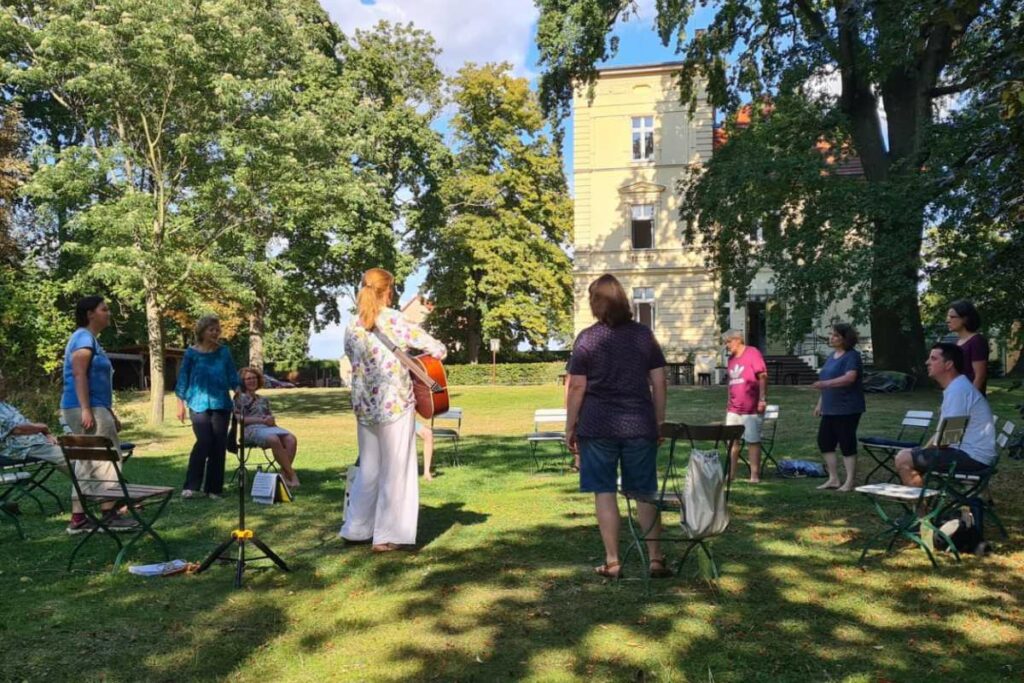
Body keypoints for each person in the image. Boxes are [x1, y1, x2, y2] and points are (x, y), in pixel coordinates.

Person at [565, 274, 669, 580]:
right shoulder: (642, 335)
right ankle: (655, 558)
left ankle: (613, 561)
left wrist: (570, 426)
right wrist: (659, 421)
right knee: (644, 492)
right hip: (639, 424)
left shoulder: (587, 338)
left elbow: (576, 387)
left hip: (597, 425)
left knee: (604, 491)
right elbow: (660, 381)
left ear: (596, 304)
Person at [340, 268, 446, 552]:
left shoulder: (353, 325)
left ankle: (356, 528)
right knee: (397, 468)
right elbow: (435, 348)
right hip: (395, 402)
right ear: (388, 290)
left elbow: (352, 358)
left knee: (369, 468)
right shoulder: (395, 320)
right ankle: (387, 535)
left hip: (364, 405)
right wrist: (434, 352)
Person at [60, 296, 133, 533]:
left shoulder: (89, 339)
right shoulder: (83, 337)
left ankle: (78, 518)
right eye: (105, 309)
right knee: (108, 458)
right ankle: (109, 514)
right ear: (90, 313)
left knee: (87, 460)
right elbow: (79, 374)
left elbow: (97, 382)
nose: (108, 313)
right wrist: (86, 409)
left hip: (92, 406)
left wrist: (109, 413)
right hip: (84, 406)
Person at [894, 343, 996, 486]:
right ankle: (927, 502)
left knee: (903, 458)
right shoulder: (958, 388)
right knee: (909, 454)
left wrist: (919, 454)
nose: (927, 362)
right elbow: (942, 435)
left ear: (948, 365)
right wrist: (922, 451)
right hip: (971, 454)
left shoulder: (958, 391)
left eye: (933, 359)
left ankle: (921, 508)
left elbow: (946, 438)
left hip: (973, 458)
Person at [175, 315, 238, 499]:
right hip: (197, 403)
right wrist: (179, 404)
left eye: (218, 330)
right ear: (202, 332)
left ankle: (214, 489)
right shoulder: (191, 353)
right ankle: (191, 486)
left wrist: (239, 391)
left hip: (221, 404)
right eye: (212, 329)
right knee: (204, 442)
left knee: (218, 445)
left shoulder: (224, 352)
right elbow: (183, 378)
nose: (216, 333)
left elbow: (232, 375)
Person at [811, 323, 866, 492]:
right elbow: (826, 385)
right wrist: (820, 403)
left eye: (835, 335)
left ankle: (849, 481)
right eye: (831, 335)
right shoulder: (831, 356)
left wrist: (824, 383)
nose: (831, 338)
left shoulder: (852, 356)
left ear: (844, 338)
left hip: (847, 407)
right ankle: (833, 478)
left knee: (846, 443)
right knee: (825, 441)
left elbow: (849, 378)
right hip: (830, 407)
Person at [236, 367, 299, 489]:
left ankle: (283, 475)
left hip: (268, 427)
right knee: (274, 439)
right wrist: (261, 420)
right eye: (248, 378)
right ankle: (292, 475)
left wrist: (271, 421)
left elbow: (269, 416)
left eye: (254, 378)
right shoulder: (239, 398)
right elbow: (239, 419)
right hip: (250, 430)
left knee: (291, 438)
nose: (252, 381)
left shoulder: (263, 399)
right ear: (243, 381)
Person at [722, 329, 768, 483]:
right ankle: (731, 474)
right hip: (733, 408)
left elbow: (762, 376)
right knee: (731, 441)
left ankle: (754, 475)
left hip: (751, 407)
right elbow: (731, 383)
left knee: (752, 440)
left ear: (737, 340)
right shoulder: (731, 359)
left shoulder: (752, 353)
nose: (726, 346)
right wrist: (728, 403)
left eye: (727, 342)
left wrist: (762, 399)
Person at [0, 370, 67, 471]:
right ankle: (88, 485)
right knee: (71, 457)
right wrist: (43, 428)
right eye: (0, 381)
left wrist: (47, 434)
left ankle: (85, 485)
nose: (3, 384)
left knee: (76, 452)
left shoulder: (5, 405)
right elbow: (18, 429)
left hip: (35, 443)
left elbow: (25, 425)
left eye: (2, 380)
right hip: (20, 448)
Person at [947, 300, 987, 395]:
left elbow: (980, 376)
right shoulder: (958, 342)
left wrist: (970, 398)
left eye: (952, 317)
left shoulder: (976, 341)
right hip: (958, 393)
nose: (948, 320)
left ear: (965, 319)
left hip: (970, 398)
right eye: (948, 317)